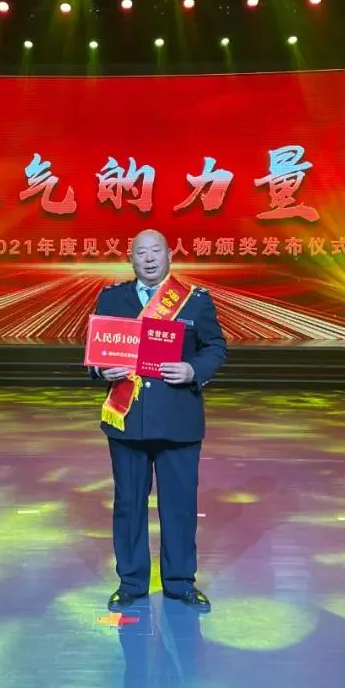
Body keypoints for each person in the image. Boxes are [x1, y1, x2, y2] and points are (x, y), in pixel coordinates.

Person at [90, 229, 227, 613]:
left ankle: (180, 583)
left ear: (170, 255)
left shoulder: (195, 300)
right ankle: (131, 583)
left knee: (179, 506)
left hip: (178, 419)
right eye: (141, 253)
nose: (149, 258)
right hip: (127, 419)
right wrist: (101, 370)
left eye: (155, 251)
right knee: (129, 504)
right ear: (130, 259)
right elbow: (95, 352)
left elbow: (215, 346)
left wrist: (193, 370)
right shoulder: (111, 298)